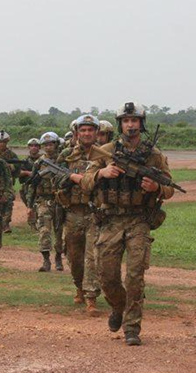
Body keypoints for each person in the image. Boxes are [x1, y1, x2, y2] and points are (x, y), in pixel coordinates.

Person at [69, 102, 175, 346]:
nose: (130, 125)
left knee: (136, 276)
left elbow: (170, 188)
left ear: (141, 124)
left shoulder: (153, 154)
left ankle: (132, 327)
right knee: (107, 277)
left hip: (139, 220)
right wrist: (101, 174)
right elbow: (84, 182)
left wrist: (157, 187)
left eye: (134, 120)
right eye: (126, 121)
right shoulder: (105, 151)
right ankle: (118, 307)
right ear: (120, 124)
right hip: (110, 221)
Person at [56, 115, 104, 314]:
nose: (86, 134)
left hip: (96, 212)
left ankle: (91, 296)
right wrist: (69, 180)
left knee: (92, 257)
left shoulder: (104, 155)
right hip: (73, 211)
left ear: (96, 133)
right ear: (76, 133)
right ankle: (79, 286)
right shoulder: (67, 155)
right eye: (82, 130)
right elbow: (55, 178)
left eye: (90, 130)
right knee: (75, 257)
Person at [26, 131, 65, 272]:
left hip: (60, 200)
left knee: (59, 231)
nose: (48, 147)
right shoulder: (39, 162)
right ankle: (46, 260)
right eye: (45, 145)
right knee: (44, 230)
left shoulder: (62, 161)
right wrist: (29, 206)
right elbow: (32, 185)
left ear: (56, 145)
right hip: (43, 200)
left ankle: (59, 258)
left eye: (51, 144)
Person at [0, 130, 19, 233]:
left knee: (8, 203)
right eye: (0, 142)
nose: (1, 144)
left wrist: (10, 167)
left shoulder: (12, 155)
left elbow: (17, 169)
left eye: (4, 142)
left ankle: (6, 224)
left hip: (7, 184)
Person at [21, 138, 42, 228]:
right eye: (31, 146)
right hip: (28, 186)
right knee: (30, 204)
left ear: (39, 147)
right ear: (28, 147)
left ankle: (39, 222)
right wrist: (28, 173)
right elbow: (18, 172)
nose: (34, 148)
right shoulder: (25, 161)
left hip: (41, 185)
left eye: (36, 146)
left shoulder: (43, 160)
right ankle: (32, 224)